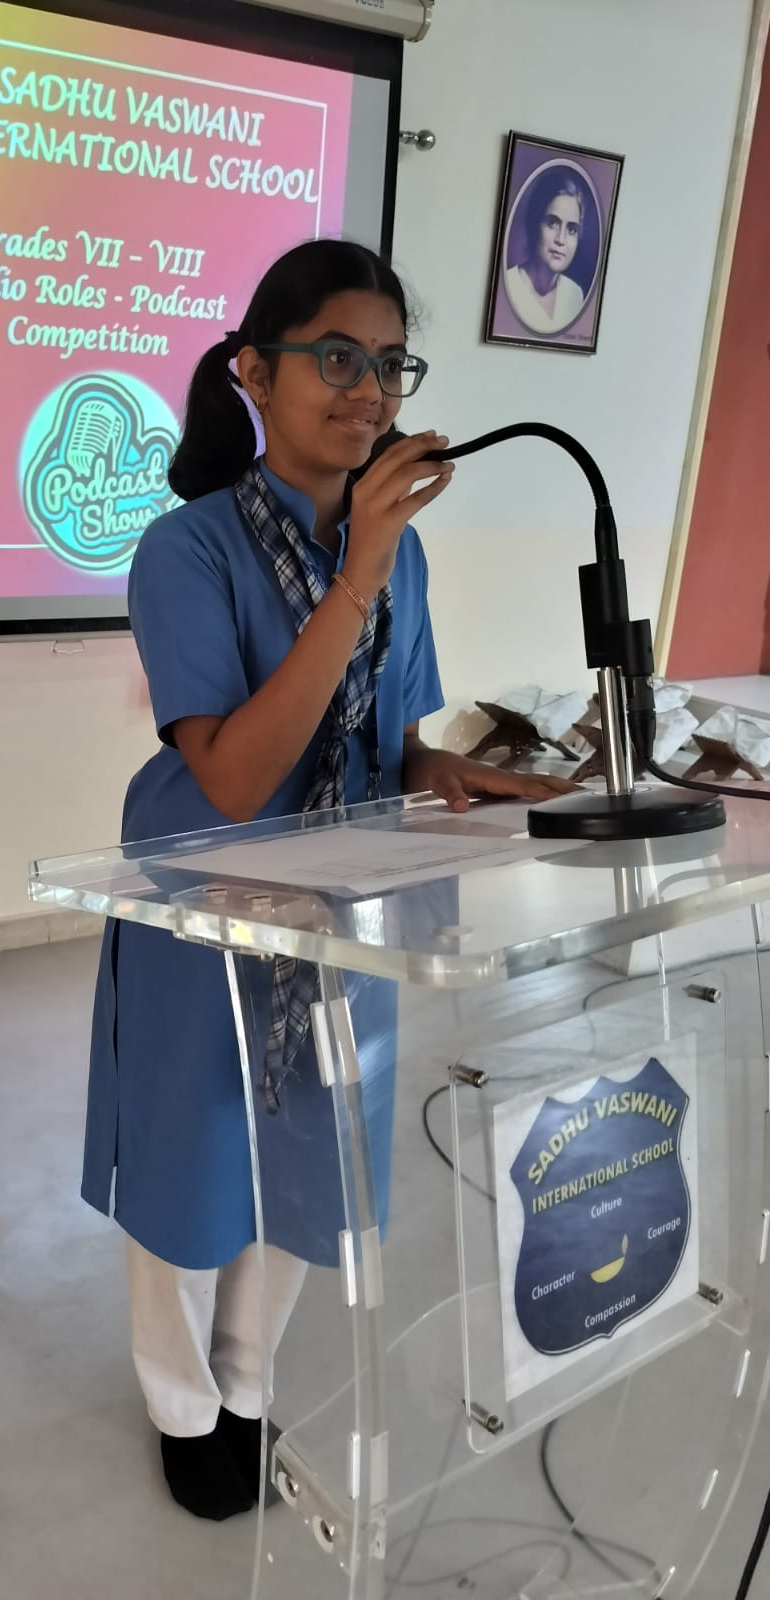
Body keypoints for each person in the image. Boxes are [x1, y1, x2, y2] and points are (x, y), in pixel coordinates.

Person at [83, 239, 576, 1522]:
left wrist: (458, 772)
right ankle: (183, 1402)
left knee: (313, 1158)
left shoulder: (399, 554)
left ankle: (247, 1380)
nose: (371, 391)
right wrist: (355, 570)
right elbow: (236, 777)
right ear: (255, 371)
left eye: (391, 364)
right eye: (338, 357)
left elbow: (393, 740)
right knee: (191, 1165)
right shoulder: (186, 550)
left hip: (348, 908)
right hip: (208, 907)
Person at [505, 168, 591, 336]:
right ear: (534, 224)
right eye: (552, 223)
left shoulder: (574, 294)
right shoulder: (509, 286)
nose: (561, 239)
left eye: (572, 229)